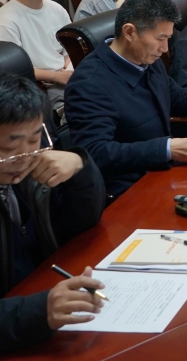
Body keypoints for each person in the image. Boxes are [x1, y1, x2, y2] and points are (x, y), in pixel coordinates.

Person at [64, 0, 187, 197]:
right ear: (129, 32)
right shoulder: (89, 84)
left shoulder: (146, 58)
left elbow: (176, 96)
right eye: (160, 38)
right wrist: (166, 149)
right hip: (130, 189)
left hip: (162, 171)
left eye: (168, 38)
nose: (165, 48)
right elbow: (95, 153)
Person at [0, 74, 106, 353]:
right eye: (9, 147)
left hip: (40, 291)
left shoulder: (27, 173)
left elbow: (78, 224)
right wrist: (38, 311)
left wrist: (80, 168)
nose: (25, 157)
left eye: (35, 139)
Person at [0, 0, 72, 113]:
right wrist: (56, 76)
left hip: (67, 73)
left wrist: (68, 65)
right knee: (82, 103)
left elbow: (69, 45)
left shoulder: (56, 8)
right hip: (42, 84)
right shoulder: (6, 20)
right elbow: (13, 69)